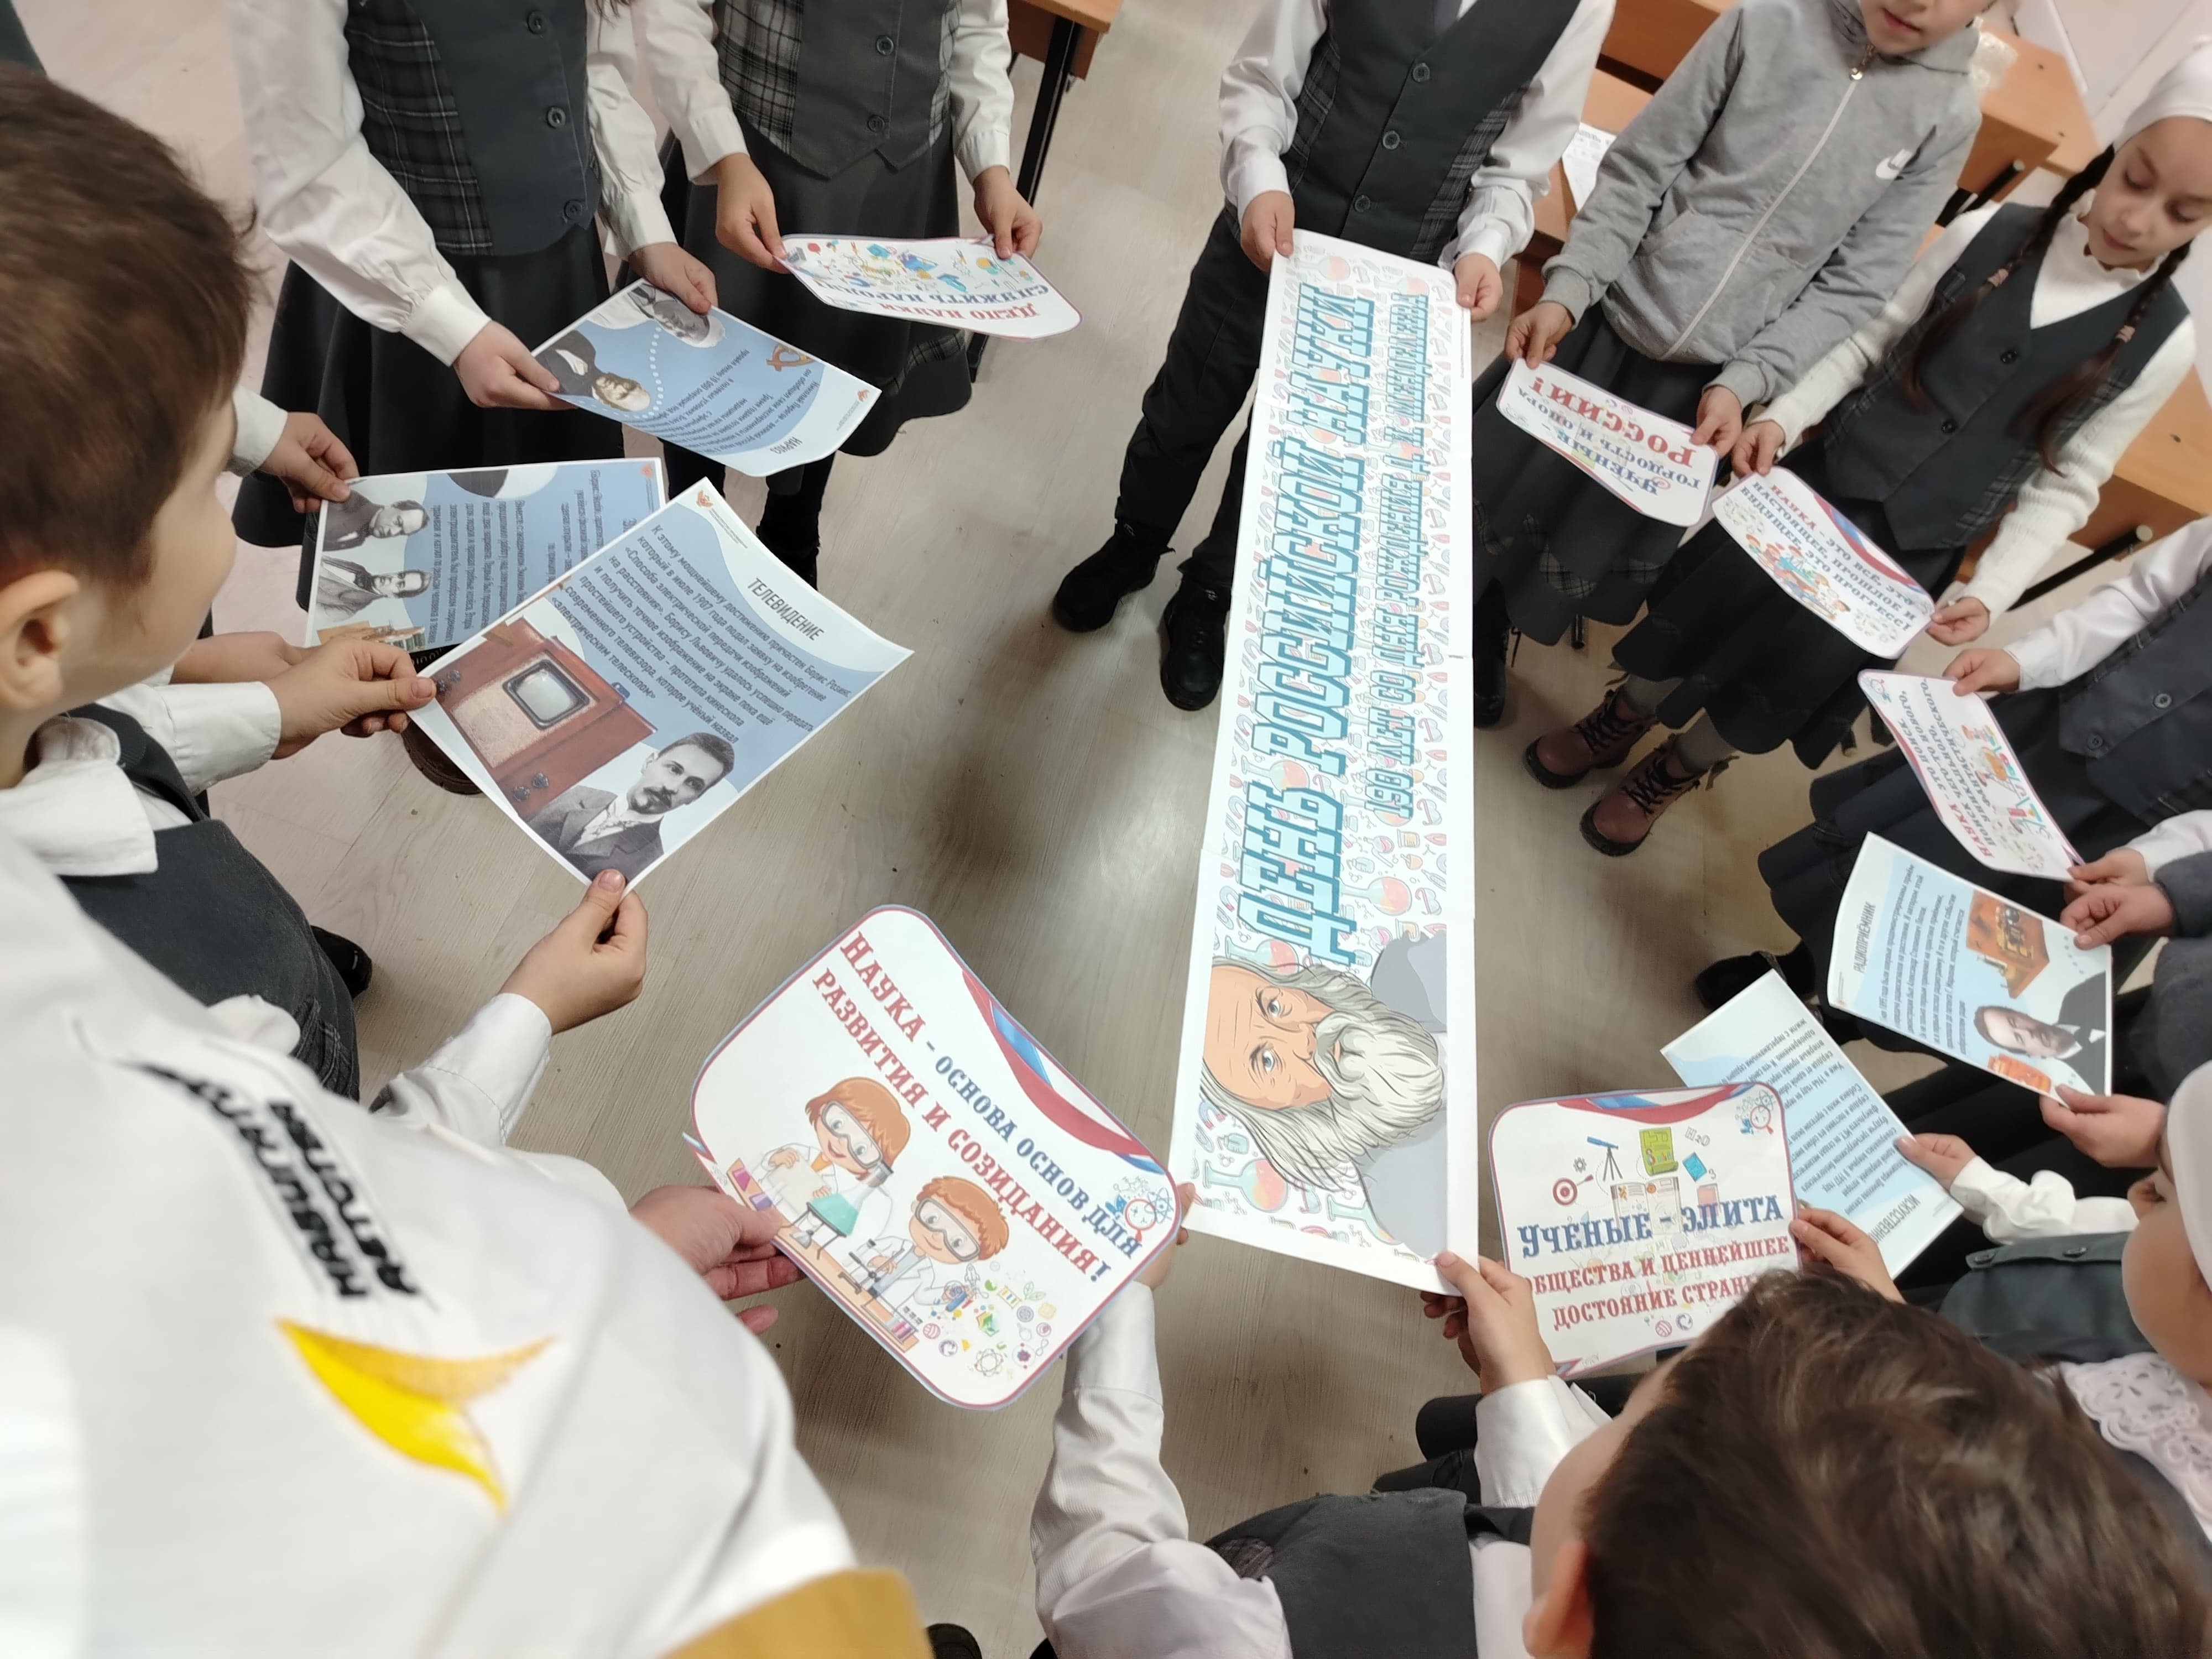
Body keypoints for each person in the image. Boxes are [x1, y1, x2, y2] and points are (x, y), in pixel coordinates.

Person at [1028, 1191, 2210, 1655]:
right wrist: (1522, 1385)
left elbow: (1103, 1578)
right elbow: (1576, 1532)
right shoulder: (1649, 1601)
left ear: (1569, 1604)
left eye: (1628, 1409)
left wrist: (1118, 1310)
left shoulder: (1249, 1637)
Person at [1529, 51, 2209, 851]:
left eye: (2182, 212)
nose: (2138, 220)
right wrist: (1786, 416)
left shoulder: (2165, 343)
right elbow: (1869, 339)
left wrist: (1993, 590)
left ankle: (1679, 768)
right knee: (1704, 613)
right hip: (1822, 485)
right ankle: (1626, 711)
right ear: (2115, 151)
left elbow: (2069, 482)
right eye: (2135, 180)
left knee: (1781, 677)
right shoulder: (1990, 233)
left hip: (1913, 555)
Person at [0, 70, 470, 1096]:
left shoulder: (30, 715)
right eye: (206, 484)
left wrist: (258, 704)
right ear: (38, 635)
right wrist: (524, 1019)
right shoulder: (142, 1028)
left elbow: (81, 751)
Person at [1050, 0, 1616, 711]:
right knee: (1185, 404)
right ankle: (1133, 542)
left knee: (1288, 451)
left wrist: (1484, 246)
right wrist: (1259, 177)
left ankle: (1212, 591)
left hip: (1391, 274)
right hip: (1271, 229)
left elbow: (1520, 165)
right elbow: (1264, 74)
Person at [1468, 0, 1993, 729]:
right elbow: (1642, 167)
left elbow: (1855, 284)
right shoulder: (1767, 21)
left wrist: (1748, 381)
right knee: (1499, 479)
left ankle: (1491, 622)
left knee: (1578, 527)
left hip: (1705, 388)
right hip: (1601, 318)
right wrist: (1571, 286)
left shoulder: (1948, 114)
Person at [223, 0, 714, 550]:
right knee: (433, 560)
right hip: (402, 292)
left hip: (560, 277)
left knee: (563, 545)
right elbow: (305, 157)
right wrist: (448, 325)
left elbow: (588, 61)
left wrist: (643, 223)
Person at [1699, 515, 2212, 1024]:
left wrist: (2156, 861)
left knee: (1980, 950)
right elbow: (2140, 598)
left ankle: (1844, 1023)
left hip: (2134, 834)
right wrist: (2027, 659)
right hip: (2046, 737)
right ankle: (1804, 964)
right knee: (1904, 859)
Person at [636, 0, 1037, 587]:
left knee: (835, 368)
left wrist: (990, 165)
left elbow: (977, 19)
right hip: (754, 155)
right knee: (707, 357)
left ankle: (793, 531)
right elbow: (673, 12)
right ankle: (691, 535)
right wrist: (723, 154)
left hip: (894, 174)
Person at [1827, 1060, 2212, 1561]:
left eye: (2159, 1194)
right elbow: (2105, 1232)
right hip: (1955, 1322)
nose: (2137, 1202)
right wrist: (1991, 1191)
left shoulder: (2149, 1534)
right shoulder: (2179, 1342)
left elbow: (1960, 1494)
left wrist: (1893, 1340)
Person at [1197, 954, 1444, 1247]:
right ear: (1274, 1112)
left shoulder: (1410, 961)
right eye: (1267, 1061)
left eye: (1274, 1007)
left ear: (1297, 987)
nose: (1305, 1039)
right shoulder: (1405, 1208)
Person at [525, 732, 737, 884]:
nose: (672, 788)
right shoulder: (571, 793)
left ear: (695, 798)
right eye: (674, 770)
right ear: (649, 762)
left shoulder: (648, 866)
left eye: (693, 784)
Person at [767, 1077, 910, 1254]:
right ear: (822, 1108)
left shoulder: (831, 1187)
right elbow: (765, 1166)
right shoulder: (798, 1151)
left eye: (860, 1149)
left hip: (779, 1227)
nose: (842, 1142)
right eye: (838, 1124)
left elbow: (813, 1223)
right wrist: (776, 1158)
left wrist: (817, 1204)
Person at [855, 1177, 1010, 1308]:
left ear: (973, 1258)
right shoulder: (895, 1243)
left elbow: (922, 1296)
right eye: (932, 1219)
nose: (938, 1236)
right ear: (916, 1206)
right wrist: (874, 1259)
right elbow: (866, 1249)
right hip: (854, 1284)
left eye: (957, 1243)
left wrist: (947, 1295)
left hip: (878, 1307)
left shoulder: (927, 1273)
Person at [540, 329, 655, 411]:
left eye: (621, 395)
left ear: (607, 403)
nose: (619, 387)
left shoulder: (568, 396)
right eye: (629, 386)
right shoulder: (588, 349)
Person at [314, 559, 432, 623]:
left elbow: (310, 614)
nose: (393, 578)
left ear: (393, 596)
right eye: (400, 575)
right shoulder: (358, 568)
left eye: (400, 584)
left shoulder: (348, 610)